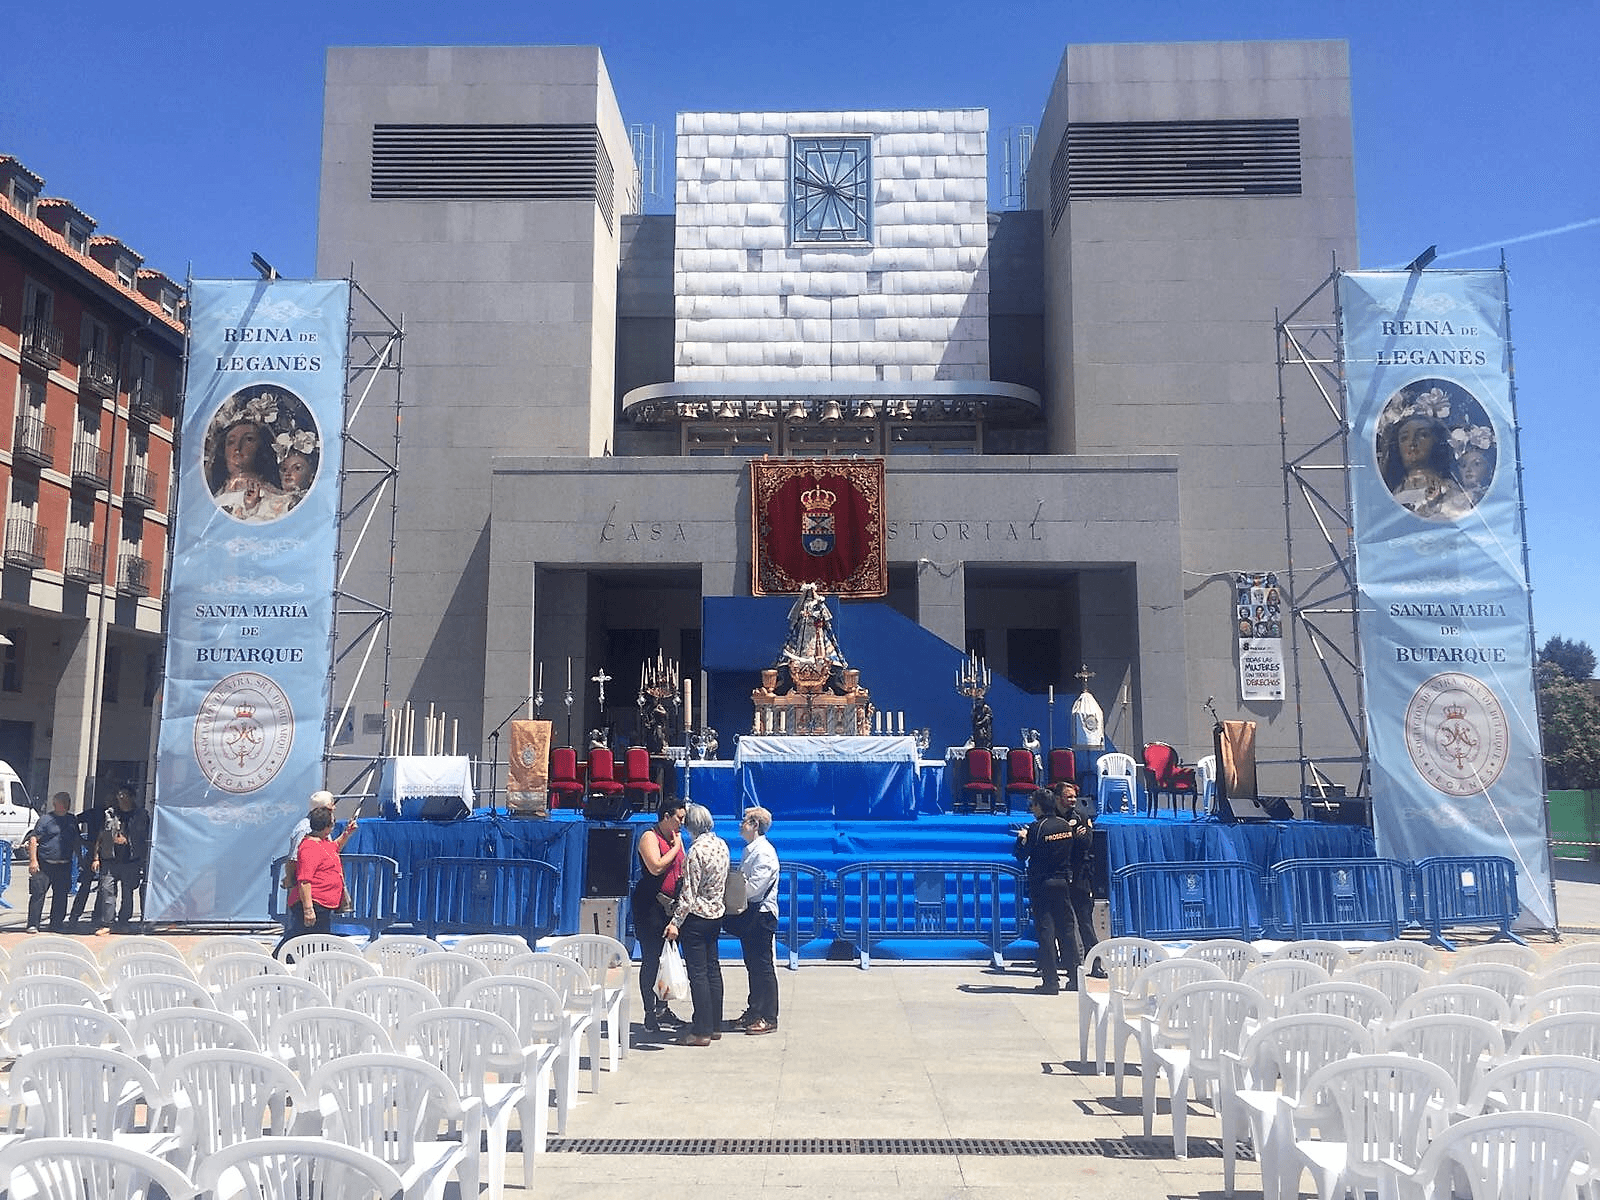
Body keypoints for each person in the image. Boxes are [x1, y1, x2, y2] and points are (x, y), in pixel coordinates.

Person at [664, 803, 729, 1046]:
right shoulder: (721, 845)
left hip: (698, 916)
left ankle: (701, 1028)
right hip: (716, 913)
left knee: (698, 974)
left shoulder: (696, 851)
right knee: (713, 969)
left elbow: (688, 894)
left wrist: (675, 922)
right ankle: (714, 1024)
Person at [631, 796, 688, 1033]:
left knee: (668, 957)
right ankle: (649, 1012)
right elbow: (655, 866)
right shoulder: (649, 836)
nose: (681, 824)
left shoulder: (676, 838)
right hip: (650, 906)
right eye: (679, 818)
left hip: (671, 907)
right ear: (666, 817)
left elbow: (682, 865)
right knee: (651, 959)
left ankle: (664, 1008)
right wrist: (675, 848)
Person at [1013, 788, 1076, 993]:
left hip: (1042, 883)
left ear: (1039, 806)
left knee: (1046, 930)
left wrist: (1022, 837)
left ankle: (1050, 980)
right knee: (1067, 930)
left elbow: (1021, 854)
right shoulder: (1065, 825)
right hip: (1063, 881)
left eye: (1033, 804)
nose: (1032, 808)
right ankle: (1075, 977)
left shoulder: (1036, 828)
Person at [727, 806, 780, 1035]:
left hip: (762, 915)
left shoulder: (764, 853)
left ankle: (769, 1016)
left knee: (763, 966)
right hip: (750, 913)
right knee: (753, 966)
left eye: (745, 821)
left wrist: (730, 893)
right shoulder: (750, 850)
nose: (741, 825)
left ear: (755, 825)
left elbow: (754, 889)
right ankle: (754, 1010)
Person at [273, 791, 338, 955]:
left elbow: (331, 848)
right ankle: (274, 968)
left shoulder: (321, 836)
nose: (334, 807)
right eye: (331, 805)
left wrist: (346, 835)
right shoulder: (306, 833)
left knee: (313, 941)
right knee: (299, 940)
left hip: (321, 901)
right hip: (311, 898)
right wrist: (308, 907)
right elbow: (298, 865)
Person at [1381, 413, 1472, 521]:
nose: (1412, 443)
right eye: (1404, 438)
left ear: (1436, 442)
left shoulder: (1450, 490)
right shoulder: (1392, 494)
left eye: (1422, 435)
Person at [1056, 781, 1101, 977]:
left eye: (1074, 796)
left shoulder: (1081, 817)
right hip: (1061, 875)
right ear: (1058, 799)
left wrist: (1069, 836)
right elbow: (1058, 846)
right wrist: (1071, 835)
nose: (1073, 800)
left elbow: (1085, 842)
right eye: (1069, 797)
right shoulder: (1053, 818)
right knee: (1062, 923)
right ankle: (1066, 961)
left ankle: (1096, 963)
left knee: (1085, 922)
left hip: (1081, 877)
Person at [209, 418, 293, 522]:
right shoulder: (211, 504)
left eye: (248, 439)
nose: (237, 447)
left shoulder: (280, 502)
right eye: (231, 442)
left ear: (262, 447)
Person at [92, 786, 151, 935]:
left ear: (131, 796)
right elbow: (100, 836)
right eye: (119, 794)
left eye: (124, 794)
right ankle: (107, 923)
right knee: (107, 891)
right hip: (110, 859)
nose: (121, 797)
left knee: (128, 893)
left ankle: (124, 921)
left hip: (131, 861)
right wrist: (96, 858)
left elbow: (146, 838)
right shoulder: (109, 814)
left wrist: (131, 844)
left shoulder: (141, 815)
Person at [293, 806, 358, 937]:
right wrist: (308, 910)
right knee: (302, 939)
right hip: (315, 904)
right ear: (328, 828)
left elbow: (335, 847)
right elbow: (304, 881)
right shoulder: (309, 848)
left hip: (324, 905)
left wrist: (347, 833)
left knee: (314, 940)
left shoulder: (323, 843)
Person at [25, 792, 82, 933]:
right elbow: (33, 839)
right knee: (38, 894)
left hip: (64, 864)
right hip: (45, 864)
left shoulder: (71, 820)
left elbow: (76, 840)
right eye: (64, 801)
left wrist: (81, 858)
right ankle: (33, 924)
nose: (67, 804)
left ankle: (56, 923)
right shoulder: (46, 819)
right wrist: (33, 861)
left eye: (68, 801)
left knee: (61, 895)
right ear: (56, 804)